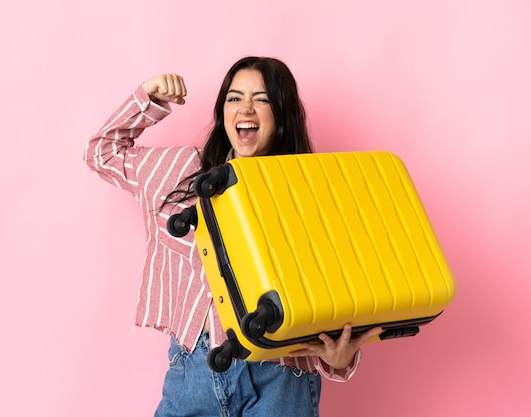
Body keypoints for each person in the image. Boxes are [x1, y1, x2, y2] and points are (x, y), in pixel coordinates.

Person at [84, 56, 382, 417]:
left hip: (282, 378)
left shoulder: (313, 190)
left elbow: (336, 292)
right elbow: (102, 152)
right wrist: (148, 97)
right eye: (235, 98)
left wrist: (343, 359)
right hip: (195, 370)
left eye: (262, 99)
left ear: (282, 114)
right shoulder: (180, 170)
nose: (246, 108)